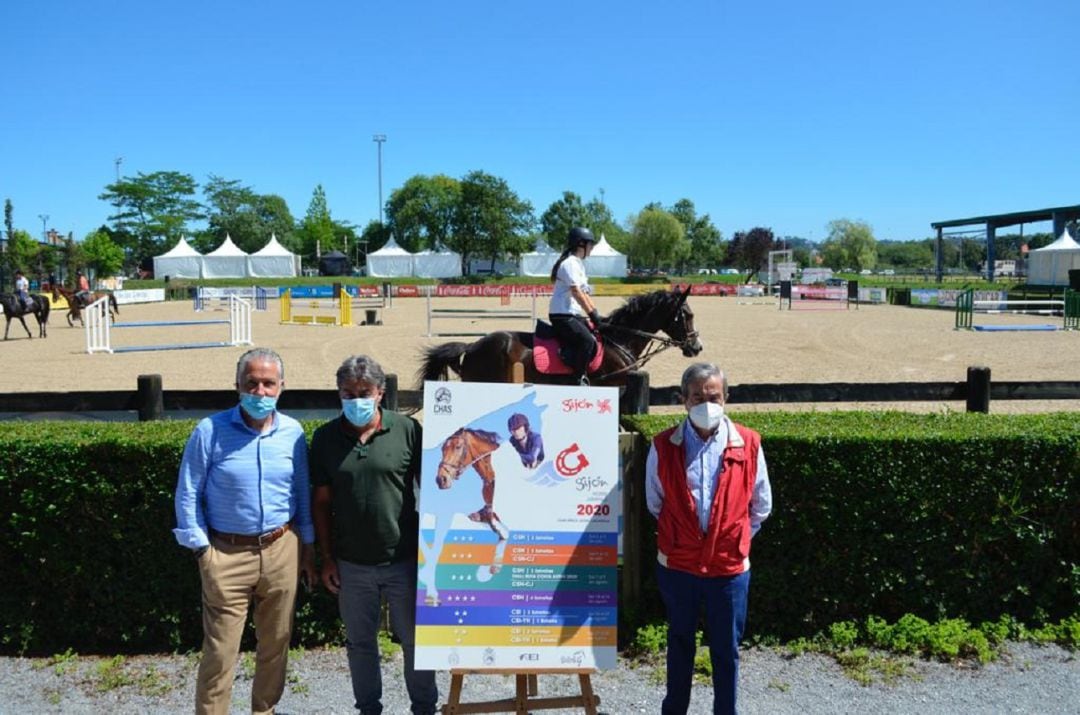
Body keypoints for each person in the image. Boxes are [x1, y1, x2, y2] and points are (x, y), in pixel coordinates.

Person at [173, 347, 316, 715]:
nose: (260, 391)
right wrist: (203, 550)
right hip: (226, 553)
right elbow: (188, 492)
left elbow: (301, 490)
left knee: (276, 645)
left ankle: (264, 710)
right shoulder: (210, 431)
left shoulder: (293, 433)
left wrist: (307, 546)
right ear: (237, 385)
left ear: (282, 387)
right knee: (220, 652)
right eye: (251, 383)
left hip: (281, 547)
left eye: (269, 383)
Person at [310, 355, 438, 715]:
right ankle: (368, 708)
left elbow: (431, 490)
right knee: (360, 644)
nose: (355, 400)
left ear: (380, 392)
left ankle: (425, 707)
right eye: (347, 393)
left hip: (405, 560)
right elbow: (321, 503)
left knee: (416, 643)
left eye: (364, 392)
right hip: (351, 565)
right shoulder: (324, 438)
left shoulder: (408, 431)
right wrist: (327, 557)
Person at [645, 362, 772, 715]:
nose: (706, 403)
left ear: (726, 397)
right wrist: (685, 538)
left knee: (726, 650)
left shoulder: (748, 443)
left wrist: (731, 539)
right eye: (697, 396)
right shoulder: (662, 445)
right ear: (683, 400)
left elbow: (761, 506)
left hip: (729, 570)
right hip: (678, 566)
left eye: (713, 396)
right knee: (679, 643)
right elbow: (655, 503)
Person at [549, 226, 603, 385]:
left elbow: (585, 294)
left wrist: (595, 313)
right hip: (562, 315)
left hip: (573, 314)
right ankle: (577, 379)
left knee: (596, 334)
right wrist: (592, 314)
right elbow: (577, 292)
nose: (592, 248)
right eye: (590, 244)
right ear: (581, 244)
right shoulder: (570, 264)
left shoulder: (579, 264)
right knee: (587, 341)